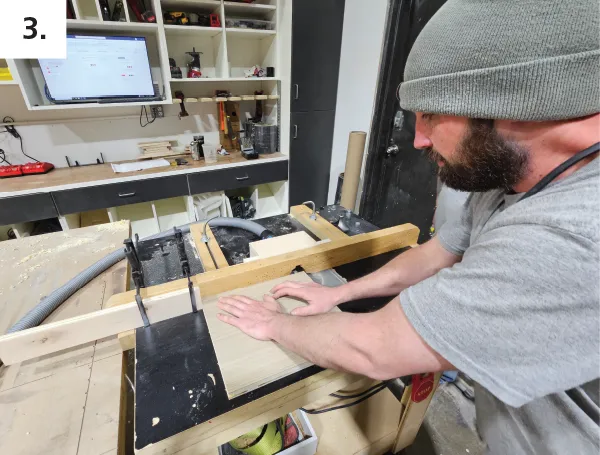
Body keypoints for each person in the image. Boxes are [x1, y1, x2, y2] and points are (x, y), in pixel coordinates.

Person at [216, 1, 600, 453]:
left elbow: (376, 348)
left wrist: (274, 326)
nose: (418, 138)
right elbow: (435, 254)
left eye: (432, 114)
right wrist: (338, 294)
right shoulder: (505, 178)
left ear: (517, 105)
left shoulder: (573, 235)